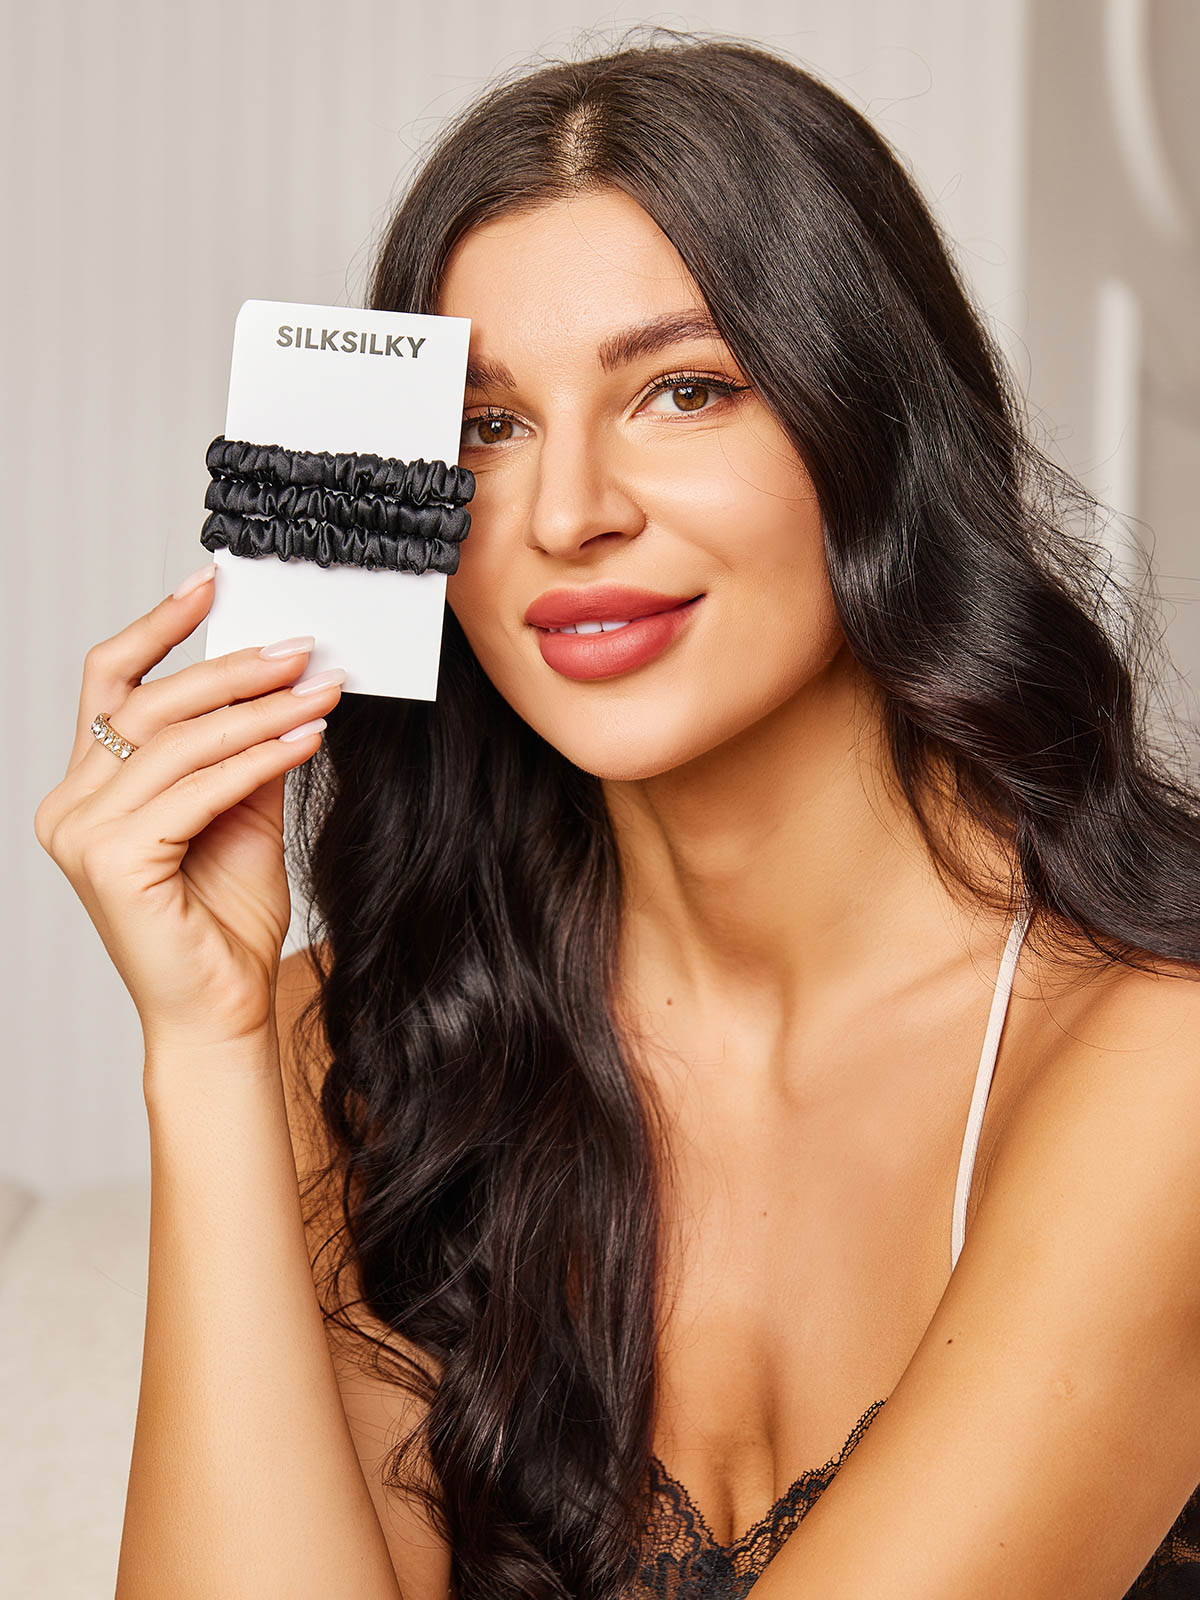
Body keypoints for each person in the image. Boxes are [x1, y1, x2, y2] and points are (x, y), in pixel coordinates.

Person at [34, 25, 1200, 1600]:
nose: (569, 513)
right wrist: (207, 1042)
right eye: (490, 428)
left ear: (877, 429)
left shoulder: (1161, 1057)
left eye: (684, 391)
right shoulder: (380, 1041)